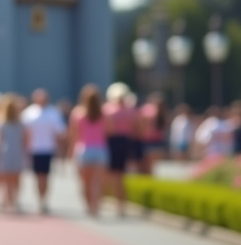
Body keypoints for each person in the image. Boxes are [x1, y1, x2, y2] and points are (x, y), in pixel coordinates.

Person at [21, 88, 66, 214]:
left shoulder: (53, 113)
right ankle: (39, 199)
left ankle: (44, 200)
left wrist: (61, 151)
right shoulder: (28, 113)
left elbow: (60, 133)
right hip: (34, 149)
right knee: (37, 176)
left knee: (45, 176)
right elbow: (24, 133)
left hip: (48, 149)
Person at [69, 84, 108, 217]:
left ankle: (89, 205)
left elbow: (74, 135)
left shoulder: (78, 113)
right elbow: (109, 131)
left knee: (85, 181)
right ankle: (96, 205)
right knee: (98, 181)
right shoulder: (104, 113)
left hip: (83, 149)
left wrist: (70, 152)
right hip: (100, 149)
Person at [104, 82, 138, 216]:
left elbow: (108, 129)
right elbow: (138, 129)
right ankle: (120, 204)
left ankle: (111, 200)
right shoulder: (131, 111)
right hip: (127, 142)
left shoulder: (109, 110)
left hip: (113, 142)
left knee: (111, 174)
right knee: (120, 174)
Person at [0, 93, 27, 213]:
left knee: (5, 179)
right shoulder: (21, 123)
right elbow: (25, 140)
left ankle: (5, 200)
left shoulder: (0, 123)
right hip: (17, 151)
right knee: (16, 178)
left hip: (5, 152)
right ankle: (14, 200)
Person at [137, 92, 167, 173]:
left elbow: (141, 125)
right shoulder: (163, 113)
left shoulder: (147, 110)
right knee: (152, 168)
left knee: (145, 168)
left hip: (147, 141)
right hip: (159, 142)